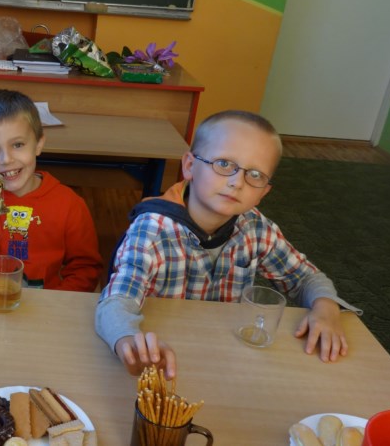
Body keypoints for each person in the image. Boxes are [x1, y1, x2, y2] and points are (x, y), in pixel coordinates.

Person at [95, 110, 361, 379]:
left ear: (264, 192)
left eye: (255, 174)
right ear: (189, 166)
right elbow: (117, 301)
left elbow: (306, 278)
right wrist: (127, 340)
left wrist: (326, 308)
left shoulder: (255, 227)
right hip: (166, 358)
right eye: (223, 164)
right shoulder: (151, 230)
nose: (236, 182)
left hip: (224, 358)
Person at [0, 89, 102, 291]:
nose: (6, 159)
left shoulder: (69, 205)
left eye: (17, 145)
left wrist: (54, 303)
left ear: (38, 144)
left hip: (45, 304)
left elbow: (85, 270)